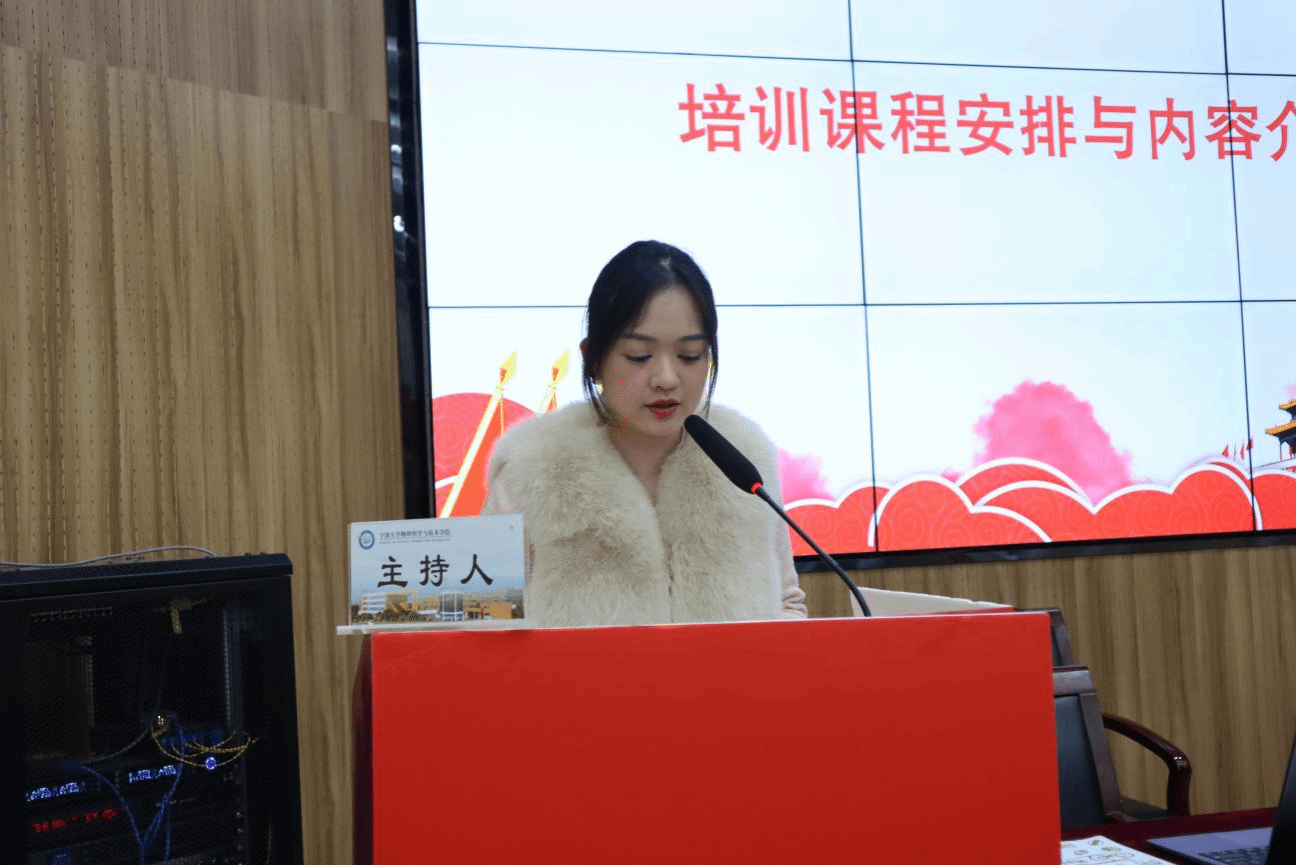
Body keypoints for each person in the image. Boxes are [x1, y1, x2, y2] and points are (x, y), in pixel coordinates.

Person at [481, 240, 807, 627]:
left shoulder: (744, 461)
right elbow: (483, 624)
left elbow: (787, 605)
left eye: (689, 356)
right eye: (639, 356)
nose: (666, 379)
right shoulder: (530, 471)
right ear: (593, 359)